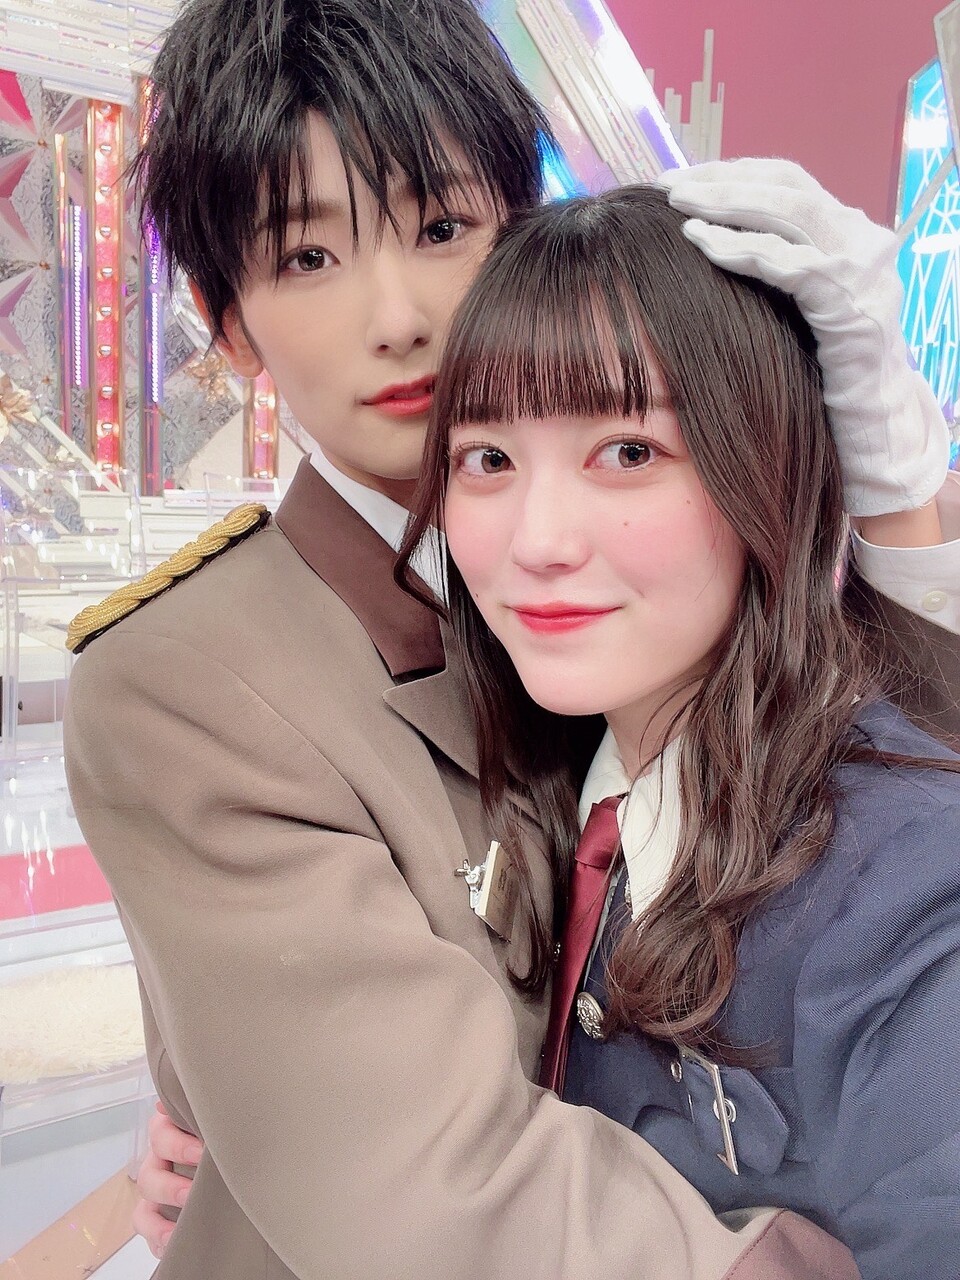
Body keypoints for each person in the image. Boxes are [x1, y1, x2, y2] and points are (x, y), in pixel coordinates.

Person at [64, 0, 958, 1273]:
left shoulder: (631, 588)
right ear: (230, 319)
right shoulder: (191, 680)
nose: (399, 315)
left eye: (441, 227)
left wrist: (895, 495)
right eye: (308, 256)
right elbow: (430, 1183)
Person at [398, 180, 960, 1280]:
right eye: (488, 459)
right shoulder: (548, 781)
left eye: (628, 450)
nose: (539, 541)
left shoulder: (902, 889)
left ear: (769, 470)